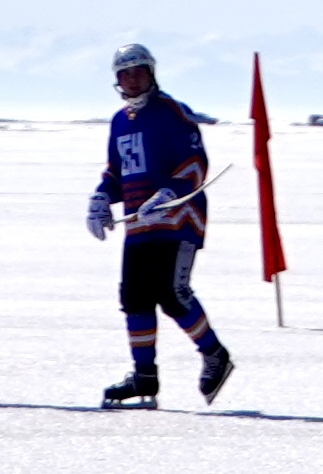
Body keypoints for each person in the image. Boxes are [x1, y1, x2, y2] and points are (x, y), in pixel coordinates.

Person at [86, 42, 234, 407]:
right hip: (140, 223)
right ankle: (144, 376)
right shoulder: (120, 121)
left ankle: (215, 354)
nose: (132, 80)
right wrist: (102, 198)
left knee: (171, 292)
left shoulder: (172, 113)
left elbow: (195, 163)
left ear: (152, 73)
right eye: (125, 74)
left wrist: (167, 195)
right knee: (134, 297)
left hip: (179, 219)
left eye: (139, 72)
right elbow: (117, 171)